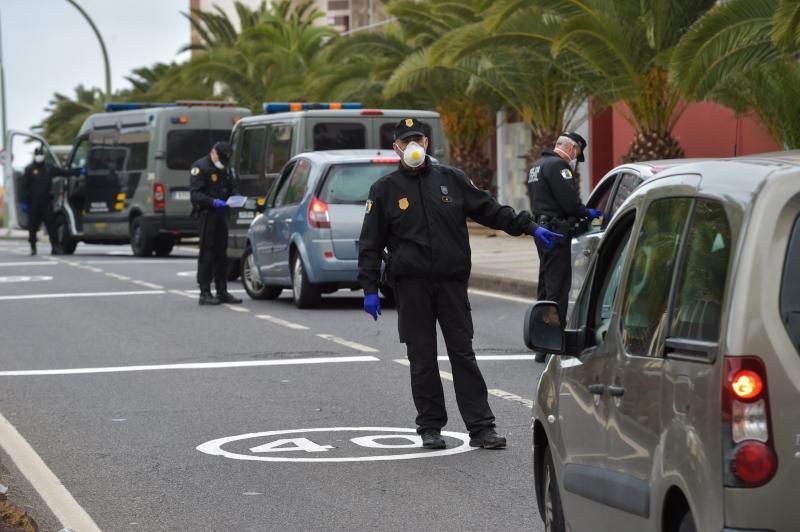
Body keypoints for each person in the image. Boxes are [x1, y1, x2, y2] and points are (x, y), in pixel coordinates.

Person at [358, 117, 562, 450]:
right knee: (422, 359)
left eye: (418, 140)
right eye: (405, 141)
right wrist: (369, 289)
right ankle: (430, 426)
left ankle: (482, 428)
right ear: (396, 148)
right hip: (412, 287)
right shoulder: (385, 190)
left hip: (451, 285)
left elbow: (490, 211)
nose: (413, 146)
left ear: (427, 144)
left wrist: (529, 227)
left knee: (463, 355)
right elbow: (369, 243)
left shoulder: (451, 180)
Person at [528, 132, 601, 362]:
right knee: (557, 288)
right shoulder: (559, 167)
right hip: (557, 232)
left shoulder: (537, 166)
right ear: (573, 149)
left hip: (541, 230)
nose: (574, 162)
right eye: (576, 156)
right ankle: (552, 344)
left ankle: (541, 344)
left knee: (545, 286)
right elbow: (569, 202)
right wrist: (585, 212)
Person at [189, 141, 243, 306]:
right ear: (213, 153)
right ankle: (204, 292)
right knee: (207, 253)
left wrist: (236, 198)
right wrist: (212, 202)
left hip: (222, 214)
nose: (222, 163)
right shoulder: (200, 167)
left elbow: (232, 187)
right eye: (220, 159)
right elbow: (195, 194)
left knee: (221, 253)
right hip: (207, 215)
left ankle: (222, 291)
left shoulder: (226, 168)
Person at [20, 146, 81, 256]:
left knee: (51, 225)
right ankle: (33, 247)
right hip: (34, 202)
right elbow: (23, 187)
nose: (40, 157)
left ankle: (55, 247)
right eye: (38, 154)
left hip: (46, 201)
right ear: (35, 156)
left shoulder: (48, 168)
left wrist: (75, 172)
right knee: (33, 226)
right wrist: (24, 202)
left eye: (41, 155)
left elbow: (62, 172)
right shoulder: (29, 169)